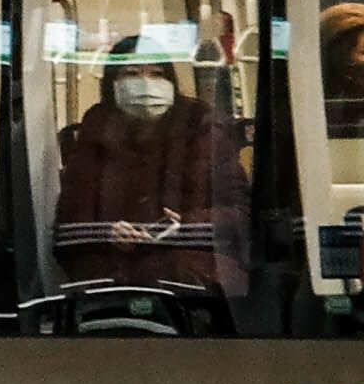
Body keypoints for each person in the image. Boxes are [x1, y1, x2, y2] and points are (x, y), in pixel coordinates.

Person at [50, 51, 252, 310]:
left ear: (171, 83)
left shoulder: (207, 136)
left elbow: (240, 215)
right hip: (111, 287)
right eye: (131, 74)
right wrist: (109, 234)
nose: (145, 84)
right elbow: (67, 227)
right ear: (112, 83)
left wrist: (185, 225)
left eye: (156, 74)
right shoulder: (92, 141)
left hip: (200, 291)